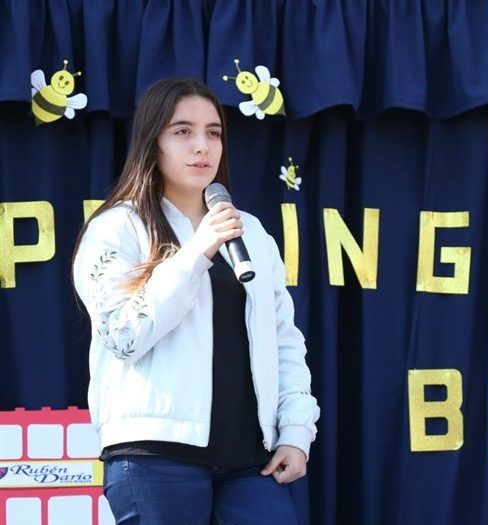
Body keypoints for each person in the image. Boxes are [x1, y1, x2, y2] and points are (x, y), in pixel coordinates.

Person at [72, 78, 319, 524]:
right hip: (155, 454)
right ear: (153, 142)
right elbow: (124, 336)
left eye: (213, 132)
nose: (202, 146)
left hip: (251, 458)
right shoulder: (116, 228)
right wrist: (196, 252)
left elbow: (283, 339)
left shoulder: (251, 232)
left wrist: (296, 429)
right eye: (183, 131)